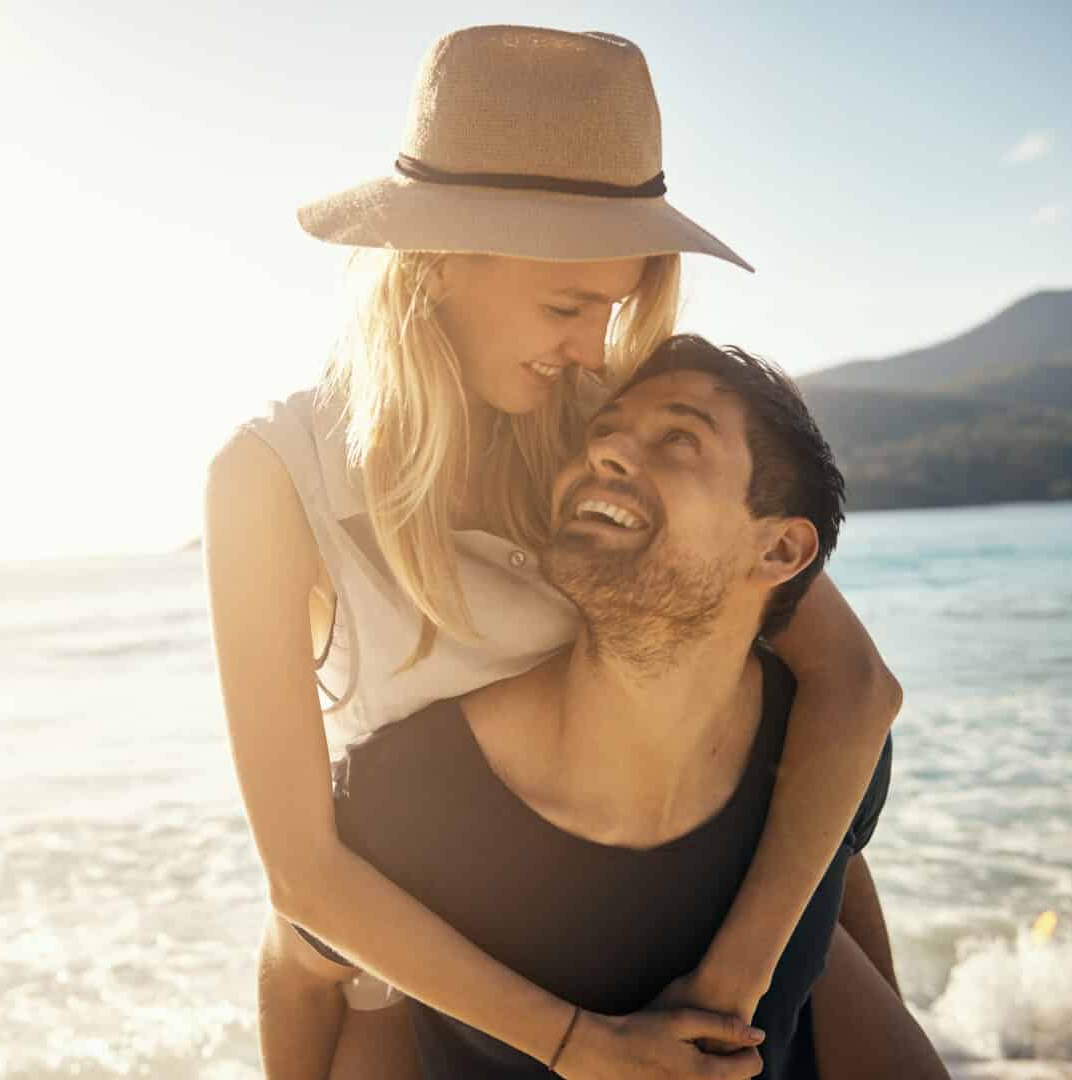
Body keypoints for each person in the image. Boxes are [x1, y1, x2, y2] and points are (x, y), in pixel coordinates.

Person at [203, 25, 902, 1077]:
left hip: (704, 919)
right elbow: (302, 878)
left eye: (613, 308)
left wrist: (734, 980)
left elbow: (847, 686)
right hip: (438, 968)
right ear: (436, 263)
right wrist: (578, 1048)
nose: (594, 347)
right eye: (568, 306)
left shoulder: (606, 439)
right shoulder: (275, 479)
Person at [274, 336, 949, 1079]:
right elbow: (301, 976)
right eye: (601, 435)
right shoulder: (412, 801)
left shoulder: (816, 757)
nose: (607, 455)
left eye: (678, 440)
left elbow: (832, 920)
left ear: (780, 552)